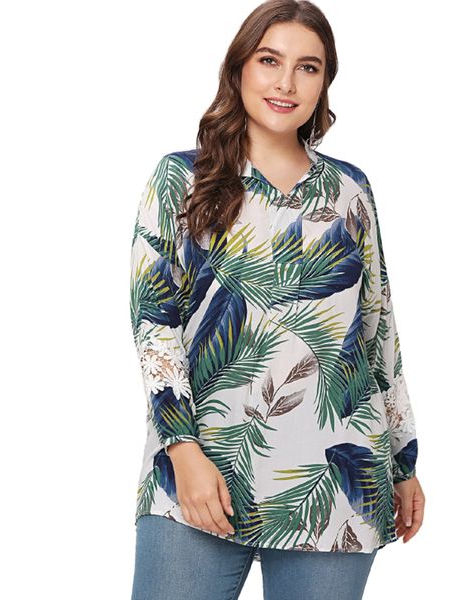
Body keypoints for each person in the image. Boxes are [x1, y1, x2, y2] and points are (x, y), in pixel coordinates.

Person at [129, 1, 425, 598]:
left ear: (324, 82)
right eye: (269, 61)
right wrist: (183, 450)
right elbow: (154, 324)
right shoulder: (182, 179)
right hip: (201, 476)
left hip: (335, 487)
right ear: (239, 67)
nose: (286, 83)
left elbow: (377, 331)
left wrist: (403, 462)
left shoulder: (350, 190)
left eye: (307, 67)